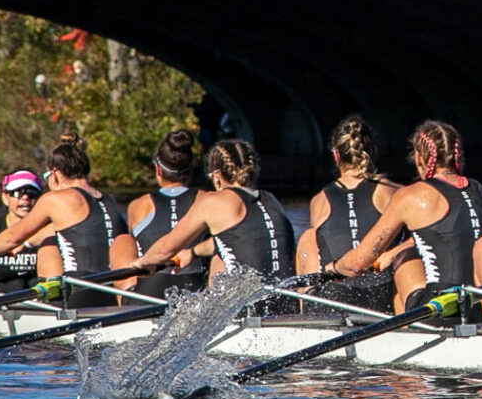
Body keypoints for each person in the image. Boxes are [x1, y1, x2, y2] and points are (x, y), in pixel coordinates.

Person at [332, 120, 482, 313]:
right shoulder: (480, 190)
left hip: (439, 309)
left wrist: (331, 269)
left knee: (404, 257)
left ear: (419, 157)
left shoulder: (411, 195)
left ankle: (403, 330)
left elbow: (358, 263)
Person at [0, 128, 133, 307]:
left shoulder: (56, 198)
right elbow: (75, 229)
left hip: (78, 291)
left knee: (48, 245)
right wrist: (27, 243)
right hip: (113, 291)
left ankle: (49, 304)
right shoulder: (108, 200)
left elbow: (13, 236)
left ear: (54, 173)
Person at [131, 139, 298, 287]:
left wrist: (141, 263)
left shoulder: (214, 201)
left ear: (217, 176)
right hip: (286, 303)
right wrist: (192, 253)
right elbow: (236, 239)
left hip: (251, 311)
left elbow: (165, 250)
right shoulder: (272, 200)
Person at [297, 114, 398, 274]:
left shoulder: (319, 200)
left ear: (336, 156)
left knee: (307, 239)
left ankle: (305, 297)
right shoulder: (392, 191)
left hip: (337, 291)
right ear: (372, 151)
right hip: (380, 287)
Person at [122, 127, 209, 292]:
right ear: (190, 169)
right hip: (196, 293)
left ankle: (120, 302)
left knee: (121, 241)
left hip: (148, 294)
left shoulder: (138, 205)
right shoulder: (207, 199)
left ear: (158, 169)